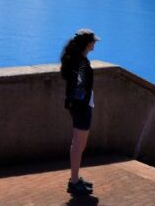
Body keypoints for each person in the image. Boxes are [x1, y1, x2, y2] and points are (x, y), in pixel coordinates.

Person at [60, 28, 99, 196]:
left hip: (78, 107)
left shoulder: (76, 60)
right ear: (87, 43)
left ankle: (75, 178)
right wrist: (82, 102)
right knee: (78, 144)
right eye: (93, 41)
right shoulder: (82, 63)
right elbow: (80, 83)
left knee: (79, 144)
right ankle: (74, 182)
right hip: (82, 108)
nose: (95, 43)